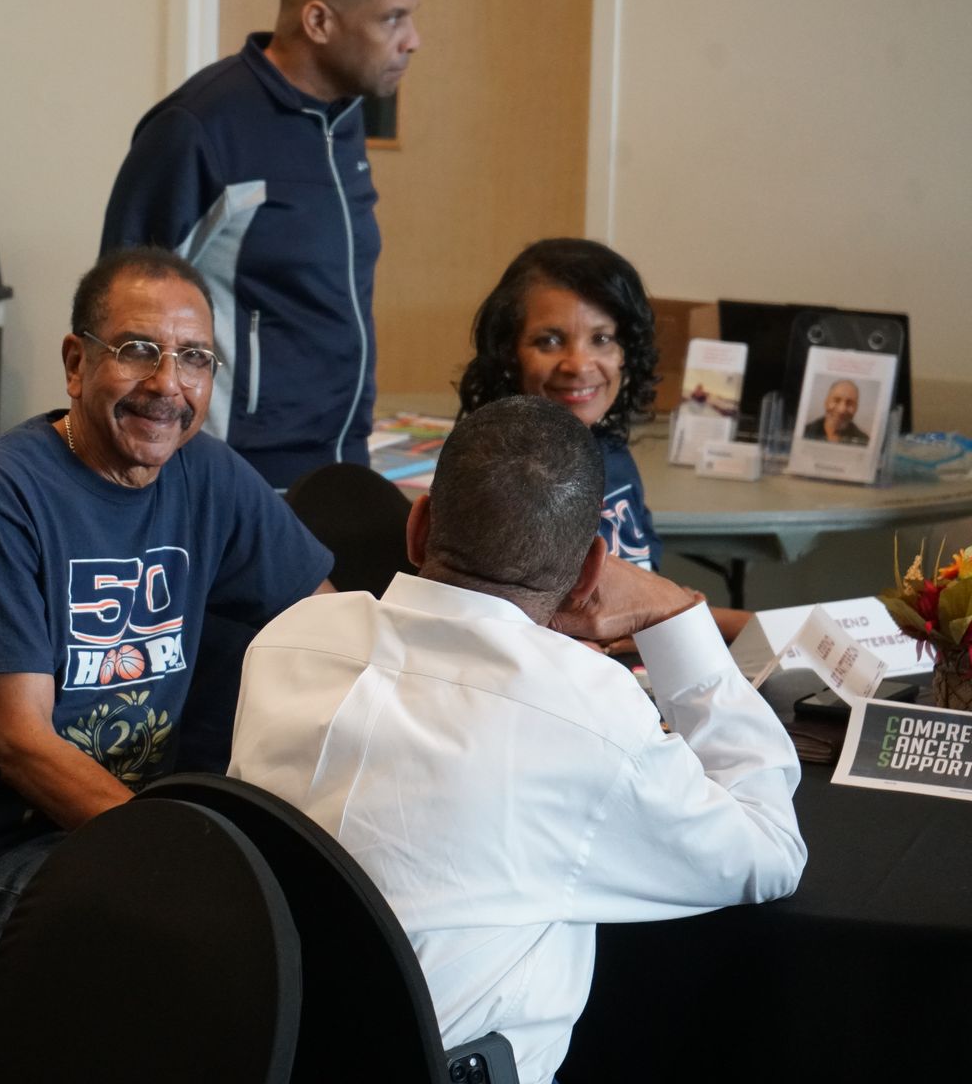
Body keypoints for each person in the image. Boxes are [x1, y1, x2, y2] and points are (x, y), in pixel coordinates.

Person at [230, 396, 806, 1084]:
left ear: (417, 529)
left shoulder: (288, 641)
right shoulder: (586, 712)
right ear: (592, 570)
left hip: (263, 1050)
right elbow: (770, 852)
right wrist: (673, 613)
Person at [0, 247, 335, 957]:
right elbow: (23, 747)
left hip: (130, 831)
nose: (168, 385)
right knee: (227, 942)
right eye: (138, 351)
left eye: (194, 359)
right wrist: (181, 860)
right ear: (75, 363)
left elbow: (331, 631)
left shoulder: (207, 474)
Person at [102, 0, 421, 487]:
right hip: (237, 469)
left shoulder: (342, 119)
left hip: (342, 456)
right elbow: (118, 313)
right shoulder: (200, 126)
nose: (412, 40)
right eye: (391, 19)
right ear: (319, 23)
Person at [457, 238, 663, 570]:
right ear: (510, 354)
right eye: (549, 341)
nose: (579, 365)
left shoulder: (611, 452)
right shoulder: (513, 482)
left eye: (601, 339)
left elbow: (654, 588)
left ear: (628, 351)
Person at [803, 379, 869, 444]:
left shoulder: (865, 441)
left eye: (850, 403)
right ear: (826, 402)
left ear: (856, 408)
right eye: (836, 400)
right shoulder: (804, 432)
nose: (842, 410)